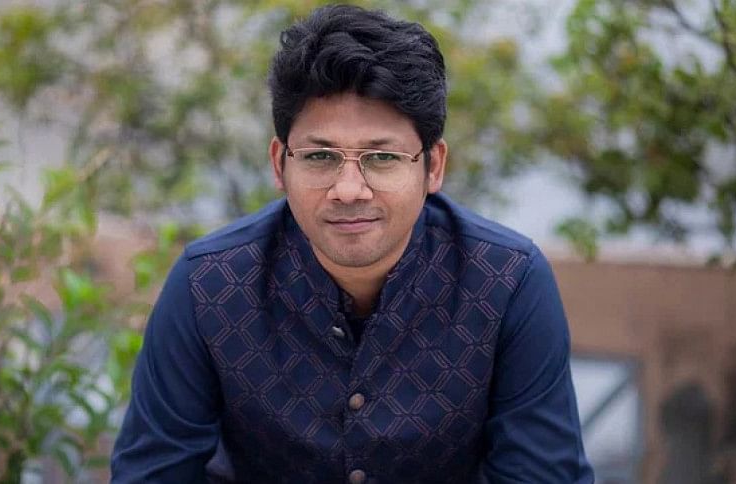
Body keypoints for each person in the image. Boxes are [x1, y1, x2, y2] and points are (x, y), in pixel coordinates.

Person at [111, 4, 593, 483]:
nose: (348, 190)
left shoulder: (507, 283)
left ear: (433, 166)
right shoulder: (209, 286)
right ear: (280, 164)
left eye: (381, 157)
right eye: (319, 156)